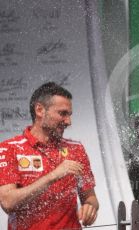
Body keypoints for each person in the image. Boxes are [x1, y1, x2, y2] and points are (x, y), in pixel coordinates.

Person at [0, 82, 99, 229]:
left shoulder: (76, 150)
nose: (68, 121)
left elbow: (90, 197)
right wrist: (53, 176)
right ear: (40, 110)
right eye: (62, 113)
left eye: (69, 115)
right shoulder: (9, 149)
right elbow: (8, 202)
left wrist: (90, 207)